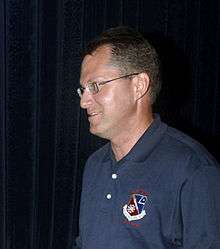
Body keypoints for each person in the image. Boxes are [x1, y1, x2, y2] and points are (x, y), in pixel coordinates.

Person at [74, 26, 220, 249]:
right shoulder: (95, 165)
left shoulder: (193, 169)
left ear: (138, 86)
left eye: (95, 86)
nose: (84, 101)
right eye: (82, 89)